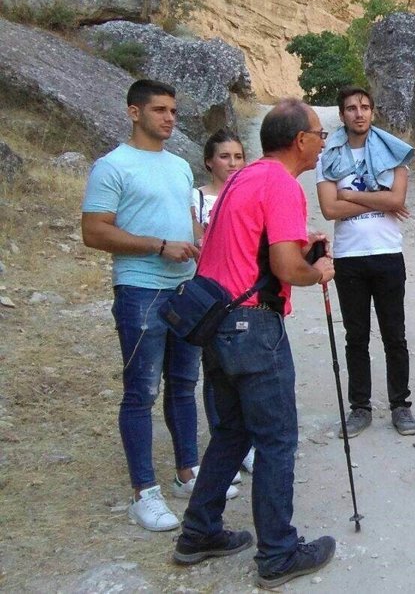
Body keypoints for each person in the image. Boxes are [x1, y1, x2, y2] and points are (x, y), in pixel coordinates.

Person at [170, 98, 338, 589]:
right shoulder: (283, 184)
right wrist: (318, 270)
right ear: (300, 140)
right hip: (253, 326)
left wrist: (299, 247)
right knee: (277, 438)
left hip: (218, 322)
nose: (322, 142)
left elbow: (248, 247)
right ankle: (278, 554)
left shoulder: (244, 178)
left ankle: (198, 532)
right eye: (319, 134)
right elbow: (286, 268)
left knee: (232, 432)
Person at [81, 79, 233, 533]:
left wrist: (203, 254)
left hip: (185, 290)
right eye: (160, 110)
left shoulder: (179, 166)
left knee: (184, 385)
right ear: (134, 112)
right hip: (140, 291)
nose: (169, 118)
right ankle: (143, 493)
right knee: (141, 392)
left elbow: (188, 223)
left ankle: (188, 472)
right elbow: (94, 231)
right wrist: (158, 245)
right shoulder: (112, 166)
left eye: (173, 110)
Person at [316, 86, 415, 438]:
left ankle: (400, 405)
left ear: (373, 111)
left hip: (387, 253)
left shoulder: (393, 152)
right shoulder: (328, 156)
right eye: (351, 108)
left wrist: (348, 193)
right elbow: (329, 208)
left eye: (364, 107)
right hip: (349, 257)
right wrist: (379, 198)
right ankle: (360, 407)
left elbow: (398, 199)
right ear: (342, 115)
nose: (358, 113)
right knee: (356, 336)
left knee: (395, 335)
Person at [193, 129, 255, 478]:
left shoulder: (248, 195)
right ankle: (224, 450)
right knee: (215, 373)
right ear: (209, 161)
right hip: (210, 296)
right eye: (224, 156)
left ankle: (245, 445)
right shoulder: (197, 198)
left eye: (238, 157)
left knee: (248, 372)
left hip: (246, 295)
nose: (232, 163)